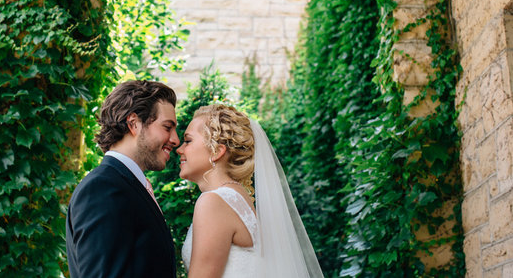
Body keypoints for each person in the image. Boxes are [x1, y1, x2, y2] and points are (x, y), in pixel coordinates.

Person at [177, 104, 324, 278]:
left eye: (188, 141)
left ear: (217, 151)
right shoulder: (236, 197)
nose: (179, 149)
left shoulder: (214, 202)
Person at [66, 80, 180, 278]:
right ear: (134, 123)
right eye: (167, 127)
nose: (175, 139)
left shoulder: (127, 185)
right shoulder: (102, 188)